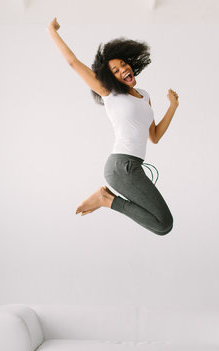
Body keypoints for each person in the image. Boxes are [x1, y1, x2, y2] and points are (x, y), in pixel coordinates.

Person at [47, 18, 179, 236]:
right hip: (121, 166)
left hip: (132, 166)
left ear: (131, 64)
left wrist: (173, 106)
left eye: (123, 65)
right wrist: (52, 30)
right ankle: (106, 200)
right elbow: (73, 62)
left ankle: (106, 198)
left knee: (164, 224)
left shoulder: (144, 96)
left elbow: (153, 136)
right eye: (115, 71)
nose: (123, 70)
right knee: (163, 224)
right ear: (110, 78)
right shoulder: (110, 94)